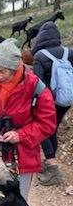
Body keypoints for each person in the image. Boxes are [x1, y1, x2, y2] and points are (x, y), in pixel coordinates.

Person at [0, 38, 57, 206]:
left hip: (22, 157)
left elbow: (47, 122)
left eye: (2, 71)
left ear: (15, 67)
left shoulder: (36, 88)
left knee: (14, 205)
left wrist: (20, 135)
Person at [32, 21, 73, 186]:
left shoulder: (40, 56)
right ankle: (50, 163)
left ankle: (53, 168)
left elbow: (38, 83)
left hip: (49, 100)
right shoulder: (69, 52)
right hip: (67, 99)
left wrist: (35, 103)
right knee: (52, 129)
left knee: (42, 130)